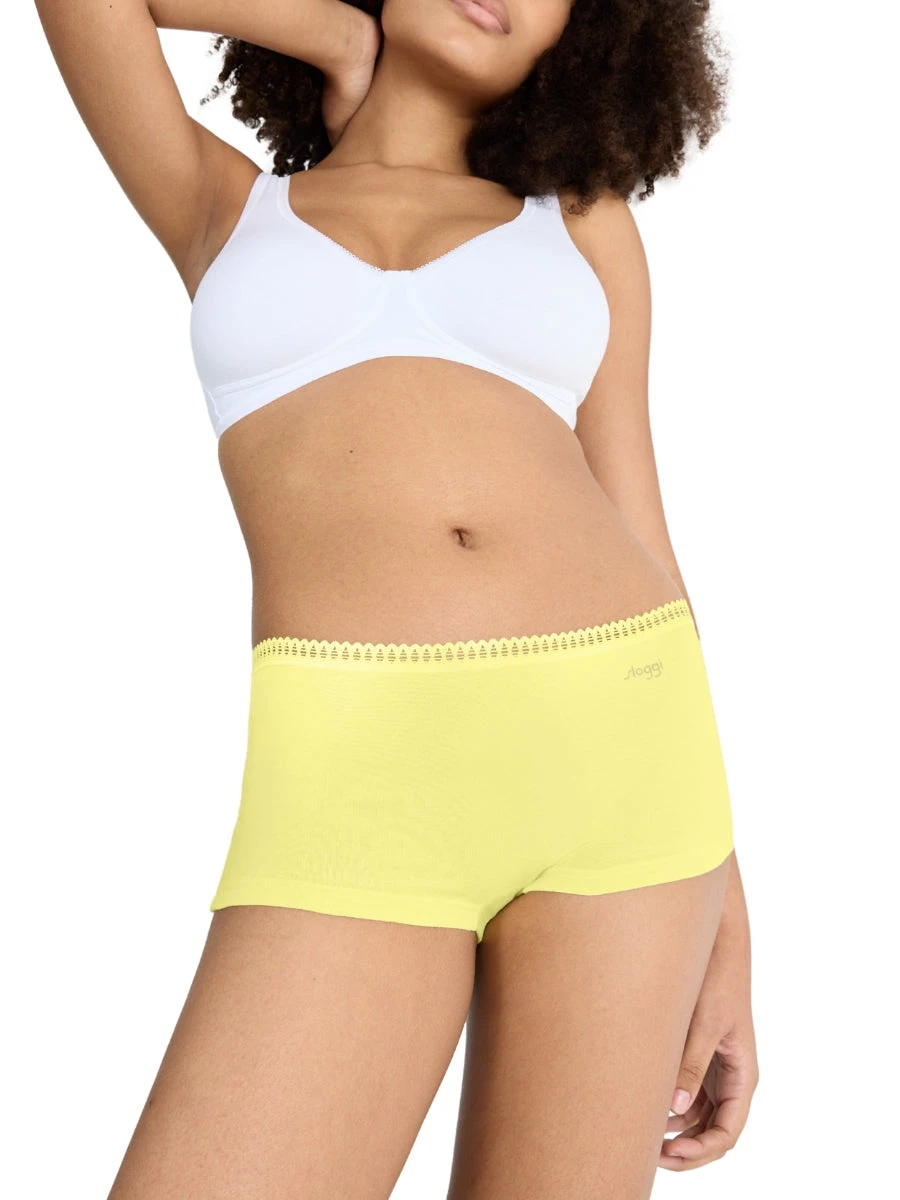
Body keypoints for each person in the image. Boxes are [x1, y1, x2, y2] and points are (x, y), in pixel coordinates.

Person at [33, 1, 758, 1196]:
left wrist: (729, 917)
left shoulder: (580, 222)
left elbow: (646, 533)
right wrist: (338, 34)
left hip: (628, 772)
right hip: (356, 783)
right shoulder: (224, 207)